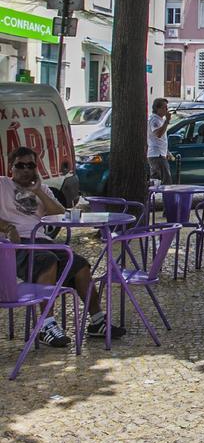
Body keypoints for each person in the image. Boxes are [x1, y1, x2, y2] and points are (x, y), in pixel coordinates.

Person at [1, 146, 124, 346]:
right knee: (47, 261)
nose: (25, 170)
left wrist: (39, 191)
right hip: (14, 246)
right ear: (11, 167)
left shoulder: (42, 188)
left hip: (42, 241)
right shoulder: (2, 184)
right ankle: (46, 325)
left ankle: (97, 321)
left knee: (81, 265)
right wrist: (7, 227)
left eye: (30, 166)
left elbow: (59, 213)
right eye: (20, 165)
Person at [147, 98, 173, 185]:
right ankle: (165, 197)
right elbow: (158, 134)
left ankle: (152, 195)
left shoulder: (159, 120)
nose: (166, 110)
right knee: (165, 179)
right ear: (157, 109)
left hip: (160, 153)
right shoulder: (154, 120)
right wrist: (167, 121)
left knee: (156, 179)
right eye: (164, 108)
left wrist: (167, 152)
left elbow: (161, 140)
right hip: (156, 154)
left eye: (167, 108)